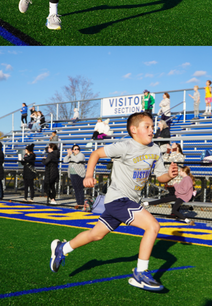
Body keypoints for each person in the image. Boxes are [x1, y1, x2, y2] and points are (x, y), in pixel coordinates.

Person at [48, 111, 180, 292]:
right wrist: (89, 175)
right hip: (118, 199)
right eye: (147, 126)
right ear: (134, 129)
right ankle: (140, 273)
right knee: (153, 226)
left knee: (96, 235)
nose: (152, 130)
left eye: (152, 126)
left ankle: (62, 248)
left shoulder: (155, 149)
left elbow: (160, 176)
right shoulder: (124, 146)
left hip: (130, 201)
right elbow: (95, 154)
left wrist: (169, 176)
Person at [66, 145, 86, 209]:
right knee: (76, 189)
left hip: (79, 174)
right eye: (75, 149)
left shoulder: (81, 155)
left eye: (78, 149)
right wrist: (68, 155)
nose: (77, 150)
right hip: (72, 174)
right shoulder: (72, 155)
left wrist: (71, 155)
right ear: (72, 150)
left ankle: (81, 203)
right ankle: (78, 203)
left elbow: (77, 160)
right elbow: (65, 160)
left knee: (79, 189)